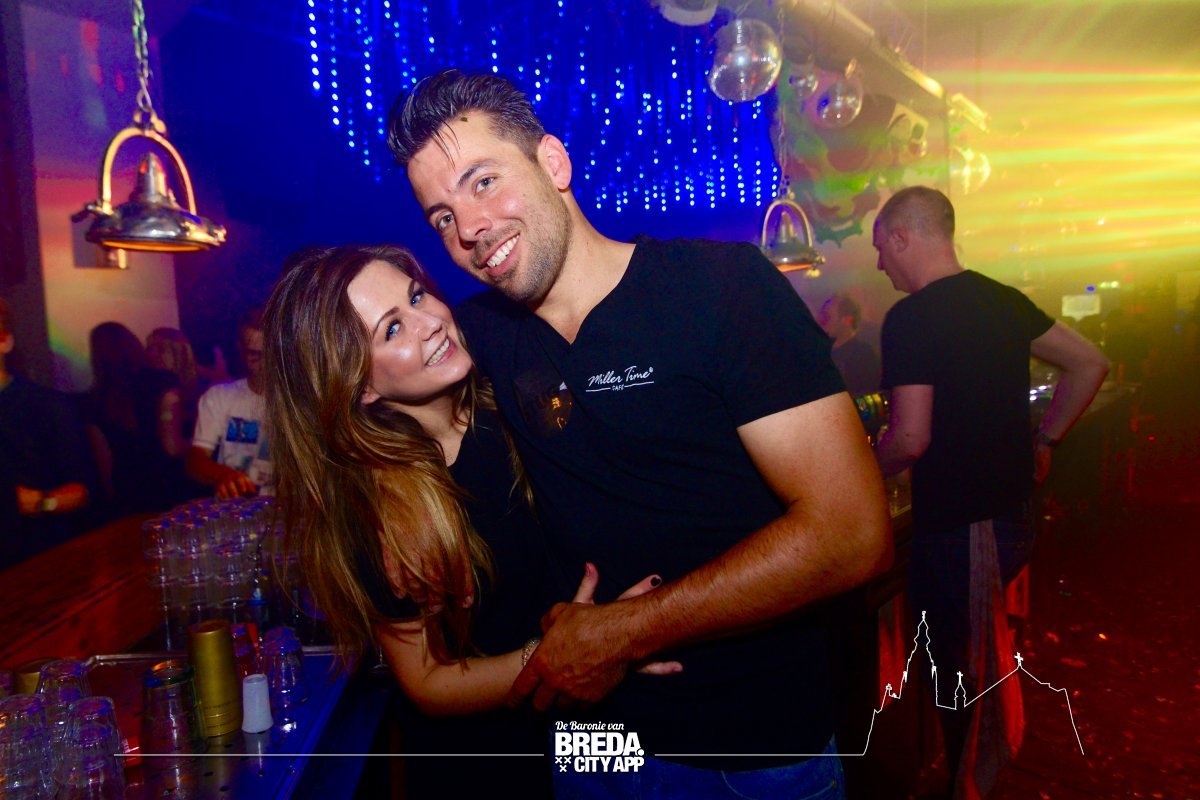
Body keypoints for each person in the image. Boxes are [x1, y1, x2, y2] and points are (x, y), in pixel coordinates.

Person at [388, 69, 893, 796]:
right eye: (441, 216)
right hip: (590, 746)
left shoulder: (719, 288)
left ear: (553, 163)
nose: (467, 229)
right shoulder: (481, 338)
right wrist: (390, 494)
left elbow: (853, 532)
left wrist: (623, 633)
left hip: (751, 750)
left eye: (483, 182)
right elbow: (369, 391)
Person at [261, 244, 675, 798]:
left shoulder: (511, 391)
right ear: (359, 386)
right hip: (490, 757)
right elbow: (427, 682)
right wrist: (558, 656)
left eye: (417, 296)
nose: (431, 321)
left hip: (595, 727)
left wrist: (616, 640)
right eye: (392, 329)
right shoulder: (377, 512)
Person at [871, 186, 1109, 798]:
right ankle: (976, 766)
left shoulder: (911, 318)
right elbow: (1090, 363)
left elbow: (910, 438)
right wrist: (1047, 439)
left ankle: (969, 780)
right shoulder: (1002, 299)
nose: (879, 263)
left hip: (962, 524)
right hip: (1012, 516)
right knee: (981, 653)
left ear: (902, 236)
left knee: (958, 669)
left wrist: (862, 473)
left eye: (880, 248)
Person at [0, 298, 93, 567]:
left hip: (34, 558)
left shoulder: (45, 405)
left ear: (5, 342)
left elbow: (83, 491)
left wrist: (41, 503)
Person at [82, 322, 192, 516]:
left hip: (128, 493)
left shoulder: (94, 400)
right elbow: (172, 447)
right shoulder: (162, 380)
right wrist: (203, 445)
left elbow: (105, 464)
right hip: (168, 486)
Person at [186, 308, 273, 498]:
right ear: (241, 350)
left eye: (271, 353)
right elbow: (196, 461)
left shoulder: (303, 401)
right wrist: (224, 475)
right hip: (236, 507)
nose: (264, 363)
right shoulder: (219, 397)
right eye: (254, 355)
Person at [817, 293, 881, 395]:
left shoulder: (864, 355)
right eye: (821, 315)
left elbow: (870, 395)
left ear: (847, 320)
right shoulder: (817, 350)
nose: (820, 320)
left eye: (827, 317)